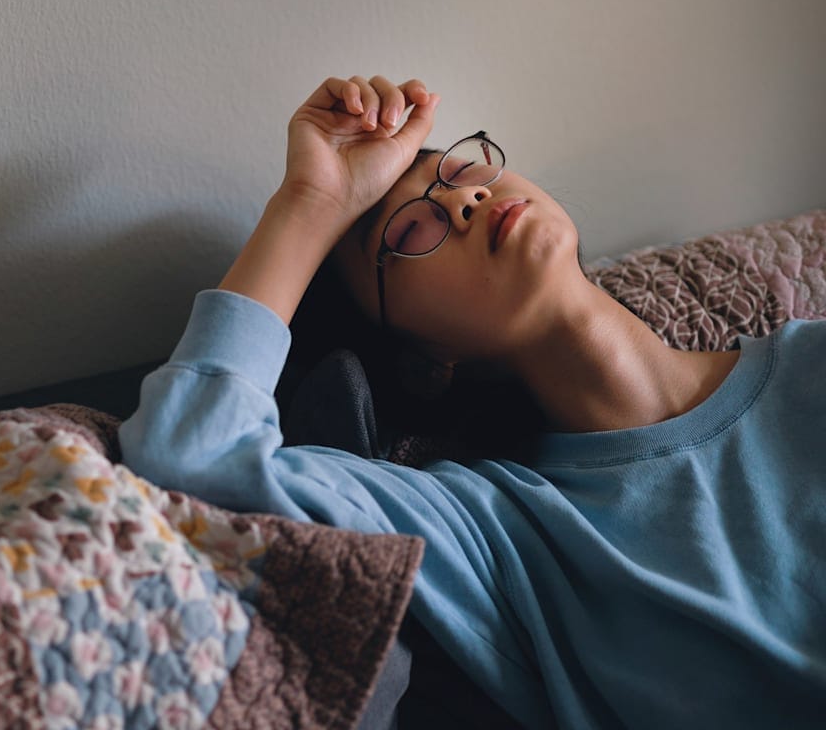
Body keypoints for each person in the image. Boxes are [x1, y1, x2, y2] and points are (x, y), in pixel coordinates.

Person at [118, 76, 826, 727]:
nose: (462, 200)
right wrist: (312, 203)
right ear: (425, 362)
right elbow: (194, 451)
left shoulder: (810, 363)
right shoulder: (494, 530)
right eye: (410, 231)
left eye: (458, 171)